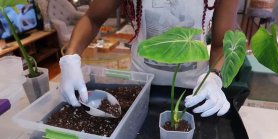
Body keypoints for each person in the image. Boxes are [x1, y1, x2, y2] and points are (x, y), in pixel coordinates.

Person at [59, 0, 239, 117]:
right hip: (140, 87)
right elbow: (93, 18)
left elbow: (221, 45)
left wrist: (215, 77)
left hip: (193, 92)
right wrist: (70, 59)